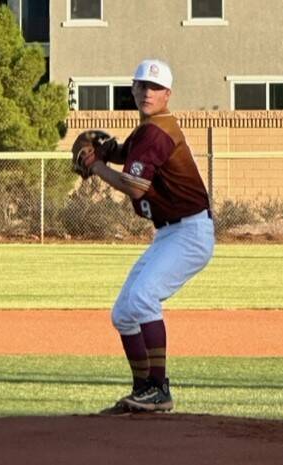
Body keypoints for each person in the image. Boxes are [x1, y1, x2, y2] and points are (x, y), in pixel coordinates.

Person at [83, 59, 215, 413]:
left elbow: (135, 186)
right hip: (171, 234)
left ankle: (159, 388)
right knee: (124, 313)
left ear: (168, 94)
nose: (148, 92)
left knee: (142, 298)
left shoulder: (157, 131)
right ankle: (141, 390)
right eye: (142, 85)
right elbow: (132, 153)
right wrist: (110, 150)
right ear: (133, 89)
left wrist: (97, 166)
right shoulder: (148, 129)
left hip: (190, 233)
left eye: (156, 87)